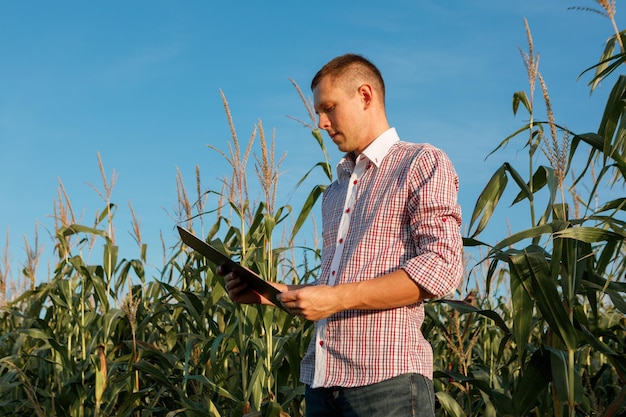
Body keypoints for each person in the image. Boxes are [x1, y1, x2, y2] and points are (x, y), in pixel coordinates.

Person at [220, 53, 463, 417]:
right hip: (322, 384)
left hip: (386, 383)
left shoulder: (420, 162)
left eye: (329, 108)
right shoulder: (334, 193)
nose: (321, 122)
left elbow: (442, 268)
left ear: (365, 95)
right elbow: (333, 287)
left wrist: (333, 298)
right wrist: (272, 294)